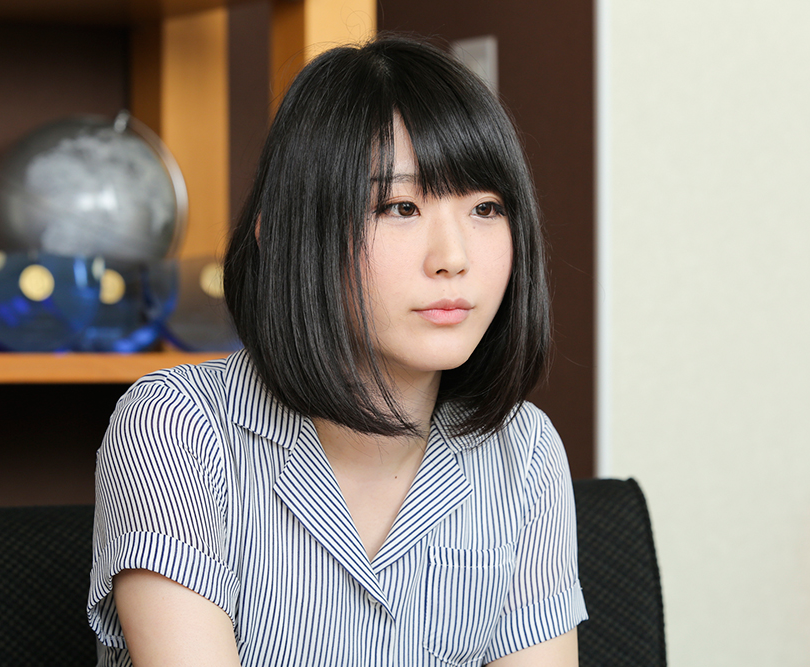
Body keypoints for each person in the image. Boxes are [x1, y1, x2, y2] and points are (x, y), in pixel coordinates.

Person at [88, 35, 587, 667]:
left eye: (486, 208)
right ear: (285, 233)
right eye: (399, 207)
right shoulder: (179, 428)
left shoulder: (524, 450)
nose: (454, 258)